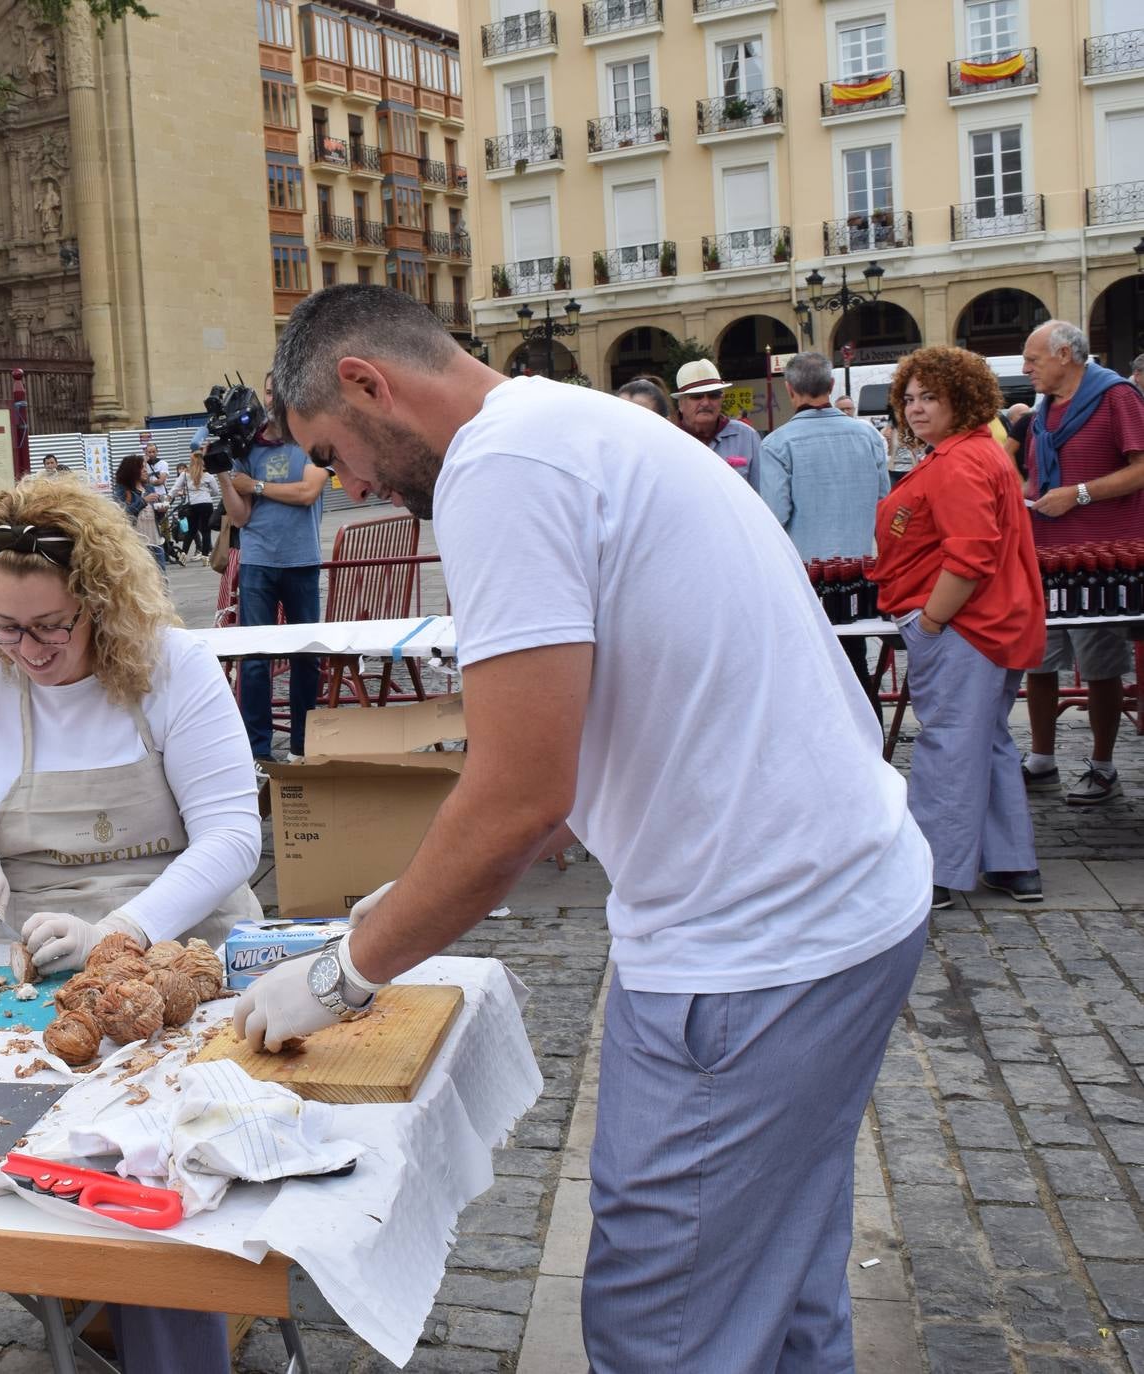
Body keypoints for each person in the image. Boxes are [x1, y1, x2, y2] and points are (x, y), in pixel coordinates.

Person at [246, 285, 930, 1372]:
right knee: (781, 1282)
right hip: (843, 899)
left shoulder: (497, 469)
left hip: (753, 949)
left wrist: (343, 973)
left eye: (337, 450)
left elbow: (520, 795)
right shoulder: (570, 423)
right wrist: (429, 881)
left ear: (368, 383)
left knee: (664, 1325)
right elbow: (598, 727)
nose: (353, 487)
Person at [0, 480, 260, 1374]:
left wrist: (118, 932)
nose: (29, 649)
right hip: (12, 952)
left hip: (166, 951)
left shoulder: (170, 666)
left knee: (147, 1167)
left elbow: (234, 835)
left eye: (50, 625)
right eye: (6, 627)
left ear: (99, 602)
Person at [869, 346, 1045, 908]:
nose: (916, 409)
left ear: (960, 398)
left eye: (930, 397)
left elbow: (969, 557)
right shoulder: (976, 451)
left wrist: (930, 621)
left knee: (948, 744)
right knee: (985, 741)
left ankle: (936, 874)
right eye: (910, 398)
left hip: (965, 627)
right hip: (990, 623)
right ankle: (1012, 864)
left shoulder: (960, 460)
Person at [1018, 320, 1144, 805]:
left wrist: (1081, 494)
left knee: (1100, 664)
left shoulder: (1116, 397)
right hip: (1047, 554)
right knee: (1040, 658)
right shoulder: (1043, 410)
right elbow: (1037, 476)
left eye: (1034, 359)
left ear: (1066, 354)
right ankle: (1042, 760)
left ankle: (1104, 765)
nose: (1026, 368)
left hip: (1101, 557)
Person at [759, 351, 894, 705]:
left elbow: (775, 515)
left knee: (810, 667)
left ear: (789, 390)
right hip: (860, 574)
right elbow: (884, 502)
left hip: (806, 578)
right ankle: (870, 742)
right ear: (832, 386)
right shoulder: (867, 438)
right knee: (855, 663)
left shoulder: (777, 444)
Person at [217, 373, 326, 763]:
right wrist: (224, 477)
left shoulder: (311, 439)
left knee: (306, 656)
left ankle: (303, 744)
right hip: (258, 561)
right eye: (267, 391)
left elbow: (307, 492)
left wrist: (257, 486)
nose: (271, 398)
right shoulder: (248, 446)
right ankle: (258, 751)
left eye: (277, 390)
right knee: (255, 659)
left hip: (301, 560)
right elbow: (241, 517)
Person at [671, 359, 762, 488]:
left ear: (722, 399)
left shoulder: (746, 436)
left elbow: (761, 494)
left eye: (713, 395)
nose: (706, 403)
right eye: (697, 396)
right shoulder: (668, 439)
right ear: (681, 404)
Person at [112, 453, 166, 571]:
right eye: (142, 468)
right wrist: (143, 501)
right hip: (136, 544)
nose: (146, 471)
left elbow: (156, 518)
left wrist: (161, 511)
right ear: (132, 470)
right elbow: (123, 514)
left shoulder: (149, 488)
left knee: (162, 579)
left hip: (155, 540)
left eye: (145, 467)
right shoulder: (122, 490)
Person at [168, 446, 220, 559]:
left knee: (191, 530)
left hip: (192, 505)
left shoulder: (185, 475)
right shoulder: (208, 476)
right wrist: (205, 493)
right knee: (206, 531)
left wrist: (168, 497)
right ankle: (206, 556)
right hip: (206, 504)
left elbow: (175, 488)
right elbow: (216, 492)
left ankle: (183, 554)